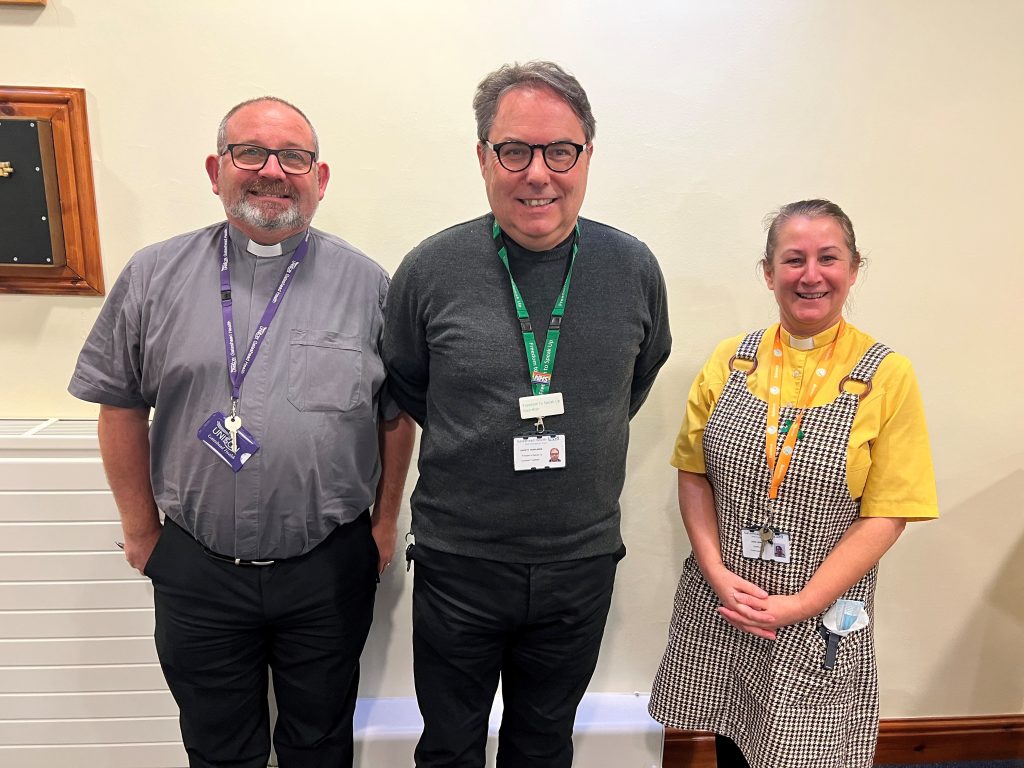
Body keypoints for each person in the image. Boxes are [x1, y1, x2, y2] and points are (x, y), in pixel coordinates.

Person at [68, 96, 415, 768]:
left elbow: (393, 417)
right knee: (218, 748)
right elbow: (118, 406)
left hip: (326, 566)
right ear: (215, 168)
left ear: (320, 178)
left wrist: (382, 524)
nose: (272, 171)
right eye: (250, 152)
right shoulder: (152, 276)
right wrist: (143, 535)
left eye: (294, 157)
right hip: (197, 568)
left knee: (319, 745)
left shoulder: (370, 285)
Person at [383, 61, 671, 768]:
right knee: (449, 746)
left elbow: (635, 380)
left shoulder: (632, 268)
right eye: (514, 150)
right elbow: (411, 384)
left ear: (587, 157)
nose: (537, 172)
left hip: (579, 563)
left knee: (543, 746)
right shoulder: (430, 270)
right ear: (484, 157)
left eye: (559, 151)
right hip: (460, 563)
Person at [648, 199, 939, 768]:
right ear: (768, 272)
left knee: (807, 751)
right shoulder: (733, 360)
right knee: (731, 732)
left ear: (853, 269)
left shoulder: (888, 374)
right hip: (726, 599)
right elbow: (694, 474)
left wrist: (801, 603)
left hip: (819, 608)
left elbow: (888, 512)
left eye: (828, 258)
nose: (810, 275)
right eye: (793, 259)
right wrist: (716, 573)